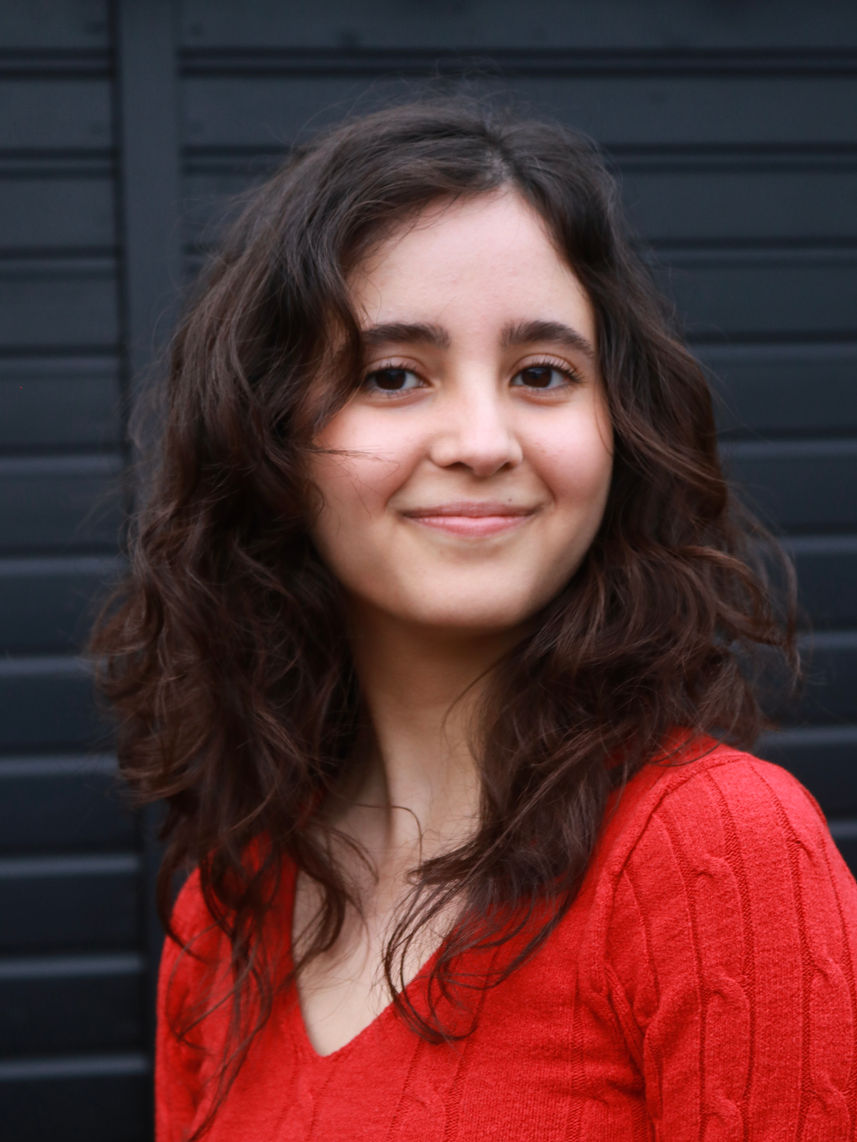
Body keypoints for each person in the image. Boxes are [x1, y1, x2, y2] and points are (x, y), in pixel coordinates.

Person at [91, 96, 857, 1141]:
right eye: (392, 375)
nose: (484, 440)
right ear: (268, 441)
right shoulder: (223, 913)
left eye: (541, 374)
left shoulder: (713, 853)